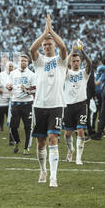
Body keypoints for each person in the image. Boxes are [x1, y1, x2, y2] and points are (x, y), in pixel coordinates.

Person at [30, 14, 67, 188]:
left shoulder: (60, 60)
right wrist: (44, 34)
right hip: (39, 106)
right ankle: (43, 169)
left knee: (53, 138)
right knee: (41, 142)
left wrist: (51, 31)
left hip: (56, 105)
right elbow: (32, 49)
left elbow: (64, 47)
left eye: (49, 43)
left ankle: (54, 176)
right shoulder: (39, 61)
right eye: (44, 44)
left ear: (54, 45)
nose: (46, 46)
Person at [62, 41, 92, 165]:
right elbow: (63, 65)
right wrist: (72, 52)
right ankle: (71, 150)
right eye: (73, 61)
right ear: (70, 62)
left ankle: (78, 158)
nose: (76, 62)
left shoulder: (84, 73)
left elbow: (90, 63)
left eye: (78, 61)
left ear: (80, 61)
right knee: (67, 134)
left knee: (80, 131)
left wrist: (82, 51)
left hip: (81, 105)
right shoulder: (67, 74)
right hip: (68, 106)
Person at [7, 55, 35, 155]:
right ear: (18, 62)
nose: (23, 62)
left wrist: (26, 90)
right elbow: (9, 85)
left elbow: (35, 89)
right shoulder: (13, 73)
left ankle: (26, 148)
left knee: (28, 127)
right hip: (15, 103)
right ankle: (17, 142)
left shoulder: (32, 74)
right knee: (13, 127)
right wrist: (9, 86)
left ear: (28, 62)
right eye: (21, 60)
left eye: (25, 61)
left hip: (27, 103)